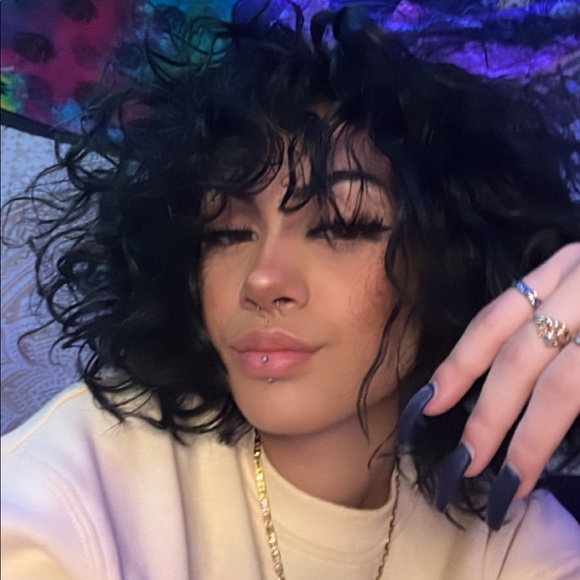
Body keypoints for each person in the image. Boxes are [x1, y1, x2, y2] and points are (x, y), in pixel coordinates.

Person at [2, 3, 579, 578]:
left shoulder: (508, 536)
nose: (261, 279)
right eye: (227, 232)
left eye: (342, 225)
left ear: (452, 260)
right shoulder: (72, 499)